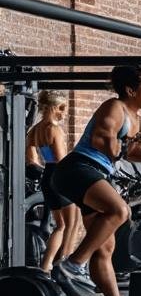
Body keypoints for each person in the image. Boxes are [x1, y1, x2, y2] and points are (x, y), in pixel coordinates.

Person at [48, 66, 141, 296]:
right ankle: (72, 265)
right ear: (131, 90)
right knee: (119, 211)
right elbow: (104, 143)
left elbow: (132, 154)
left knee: (104, 247)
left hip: (95, 173)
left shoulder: (135, 118)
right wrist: (126, 146)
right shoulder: (115, 107)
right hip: (78, 168)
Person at [25, 89, 78, 274]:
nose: (64, 113)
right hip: (60, 174)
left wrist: (46, 171)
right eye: (62, 108)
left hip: (48, 175)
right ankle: (64, 267)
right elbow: (61, 159)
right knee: (71, 224)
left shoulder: (35, 130)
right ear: (54, 107)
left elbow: (31, 159)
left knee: (62, 225)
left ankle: (46, 266)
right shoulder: (54, 129)